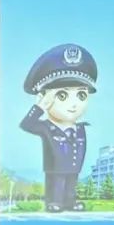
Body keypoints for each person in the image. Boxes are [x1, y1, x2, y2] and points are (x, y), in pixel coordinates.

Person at [19, 43, 97, 212]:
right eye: (62, 95)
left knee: (71, 183)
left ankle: (70, 201)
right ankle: (54, 201)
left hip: (74, 168)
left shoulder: (80, 128)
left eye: (81, 95)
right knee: (57, 183)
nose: (73, 104)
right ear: (43, 97)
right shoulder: (47, 127)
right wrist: (39, 107)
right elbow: (26, 125)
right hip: (54, 169)